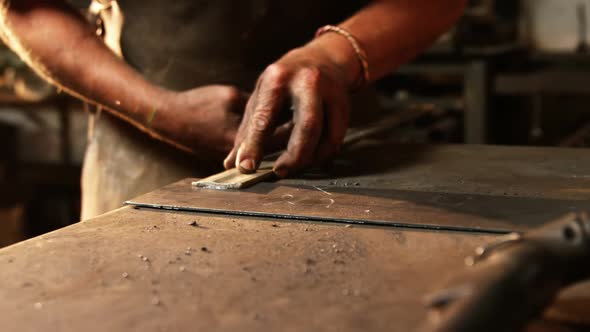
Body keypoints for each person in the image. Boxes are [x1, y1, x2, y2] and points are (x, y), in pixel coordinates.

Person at [0, 0, 466, 220]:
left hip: (342, 154)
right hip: (142, 161)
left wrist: (331, 58)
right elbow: (24, 9)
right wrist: (160, 112)